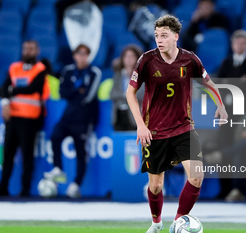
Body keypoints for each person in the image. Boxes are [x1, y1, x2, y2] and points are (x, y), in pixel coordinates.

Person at [126, 14, 228, 233]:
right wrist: (140, 125)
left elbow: (208, 83)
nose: (159, 40)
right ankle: (155, 223)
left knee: (196, 176)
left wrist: (220, 106)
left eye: (164, 35)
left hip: (184, 128)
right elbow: (130, 93)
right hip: (154, 132)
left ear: (175, 36)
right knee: (155, 186)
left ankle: (179, 221)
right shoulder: (146, 60)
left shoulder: (190, 60)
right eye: (156, 36)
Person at [43, 44, 101, 198]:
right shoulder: (68, 70)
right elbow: (63, 92)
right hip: (68, 116)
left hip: (84, 119)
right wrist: (78, 90)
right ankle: (58, 168)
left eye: (84, 54)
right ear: (74, 55)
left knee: (80, 152)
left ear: (88, 56)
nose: (81, 57)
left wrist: (74, 92)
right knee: (55, 137)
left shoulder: (94, 72)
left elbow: (88, 96)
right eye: (78, 54)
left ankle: (76, 184)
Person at [214, 29, 246, 199]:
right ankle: (224, 189)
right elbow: (219, 85)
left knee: (239, 150)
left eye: (242, 43)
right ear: (232, 45)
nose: (239, 46)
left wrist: (231, 84)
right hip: (226, 112)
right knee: (223, 147)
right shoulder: (225, 63)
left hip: (242, 113)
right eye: (236, 43)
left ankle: (239, 189)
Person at [0, 40, 48, 197]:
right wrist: (6, 102)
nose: (28, 51)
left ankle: (25, 189)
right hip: (12, 118)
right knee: (8, 155)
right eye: (26, 48)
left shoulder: (40, 69)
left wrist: (13, 89)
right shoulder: (14, 68)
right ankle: (3, 187)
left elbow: (33, 88)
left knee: (27, 156)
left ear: (37, 51)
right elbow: (4, 88)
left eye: (31, 49)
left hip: (29, 119)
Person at [110, 44, 144, 131]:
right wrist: (128, 95)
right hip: (119, 115)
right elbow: (113, 94)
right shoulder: (118, 75)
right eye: (126, 56)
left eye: (132, 56)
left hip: (134, 116)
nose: (129, 59)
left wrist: (123, 96)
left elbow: (141, 95)